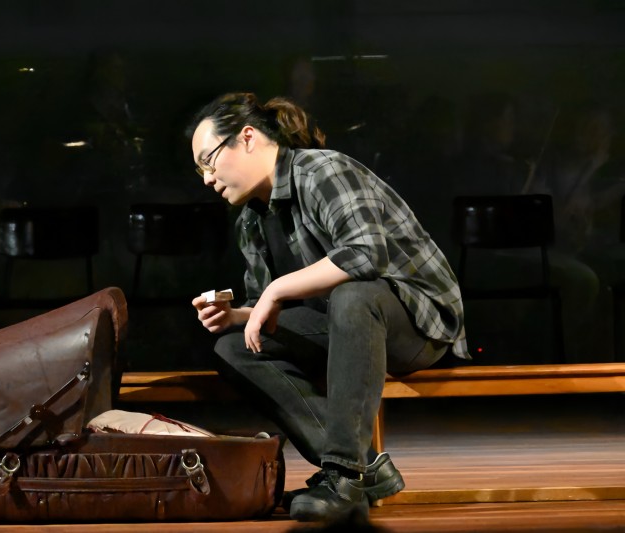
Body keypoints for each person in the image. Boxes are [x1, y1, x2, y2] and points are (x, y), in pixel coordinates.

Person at [187, 92, 469, 523]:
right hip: (343, 325)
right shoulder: (251, 220)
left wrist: (276, 290)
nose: (207, 179)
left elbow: (365, 254)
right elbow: (268, 304)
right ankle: (363, 470)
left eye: (209, 161)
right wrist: (238, 316)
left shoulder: (321, 170)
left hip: (416, 320)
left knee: (354, 295)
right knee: (236, 346)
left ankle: (343, 475)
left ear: (247, 138)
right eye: (200, 170)